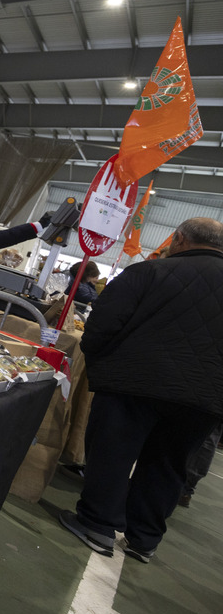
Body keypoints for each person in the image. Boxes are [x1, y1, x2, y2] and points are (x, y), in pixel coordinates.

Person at [58, 217, 223, 563]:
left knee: (113, 452)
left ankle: (98, 524)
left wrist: (104, 371)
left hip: (133, 383)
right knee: (170, 464)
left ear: (178, 240)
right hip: (204, 399)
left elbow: (101, 327)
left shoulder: (146, 273)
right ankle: (144, 540)